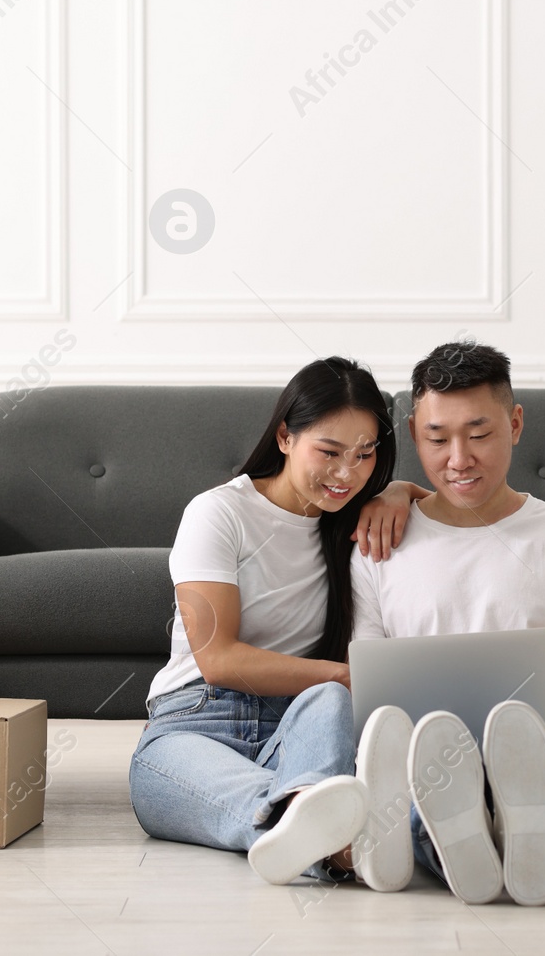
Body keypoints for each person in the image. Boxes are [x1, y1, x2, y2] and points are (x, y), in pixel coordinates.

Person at [349, 341, 545, 905]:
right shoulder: (377, 542)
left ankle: (530, 841)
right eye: (437, 439)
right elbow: (368, 689)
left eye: (479, 435)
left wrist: (499, 737)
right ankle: (475, 843)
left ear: (516, 423)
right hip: (423, 752)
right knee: (421, 788)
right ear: (413, 434)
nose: (458, 459)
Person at [128, 356, 417, 886]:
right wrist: (344, 674)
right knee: (165, 778)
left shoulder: (352, 517)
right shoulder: (219, 513)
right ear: (285, 436)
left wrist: (398, 491)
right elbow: (217, 660)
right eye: (329, 452)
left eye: (365, 455)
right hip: (195, 723)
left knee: (329, 701)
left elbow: (453, 504)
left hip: (300, 729)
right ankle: (333, 834)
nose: (347, 473)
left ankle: (316, 827)